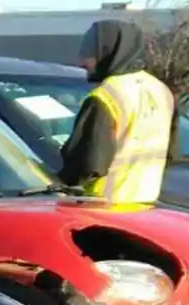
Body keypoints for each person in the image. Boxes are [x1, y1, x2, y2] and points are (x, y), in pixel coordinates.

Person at [57, 18, 174, 208]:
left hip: (100, 207)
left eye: (90, 52)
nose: (82, 62)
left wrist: (55, 185)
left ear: (109, 52)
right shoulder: (161, 90)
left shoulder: (105, 95)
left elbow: (88, 163)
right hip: (145, 208)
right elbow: (169, 153)